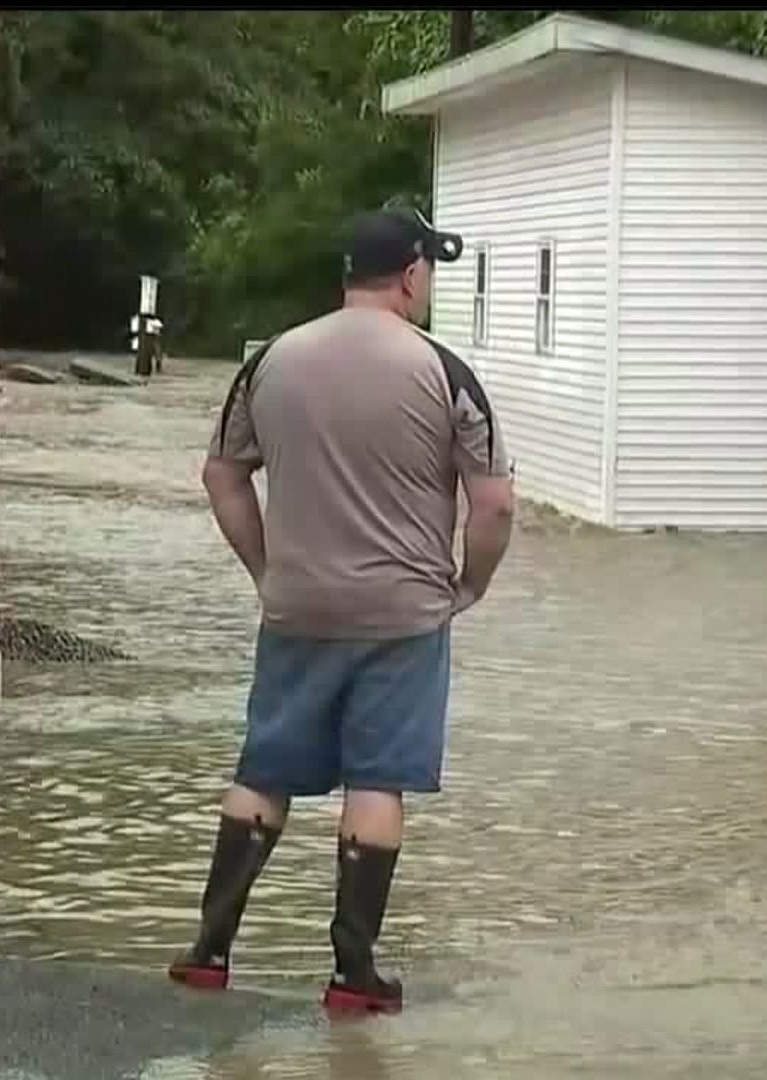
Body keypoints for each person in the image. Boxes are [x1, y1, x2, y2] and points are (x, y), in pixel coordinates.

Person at [168, 207, 517, 1013]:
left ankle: (209, 950)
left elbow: (223, 474)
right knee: (376, 780)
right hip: (402, 616)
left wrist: (265, 566)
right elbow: (494, 504)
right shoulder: (444, 372)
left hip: (296, 605)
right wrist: (470, 584)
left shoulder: (272, 362)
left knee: (265, 770)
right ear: (411, 275)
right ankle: (352, 974)